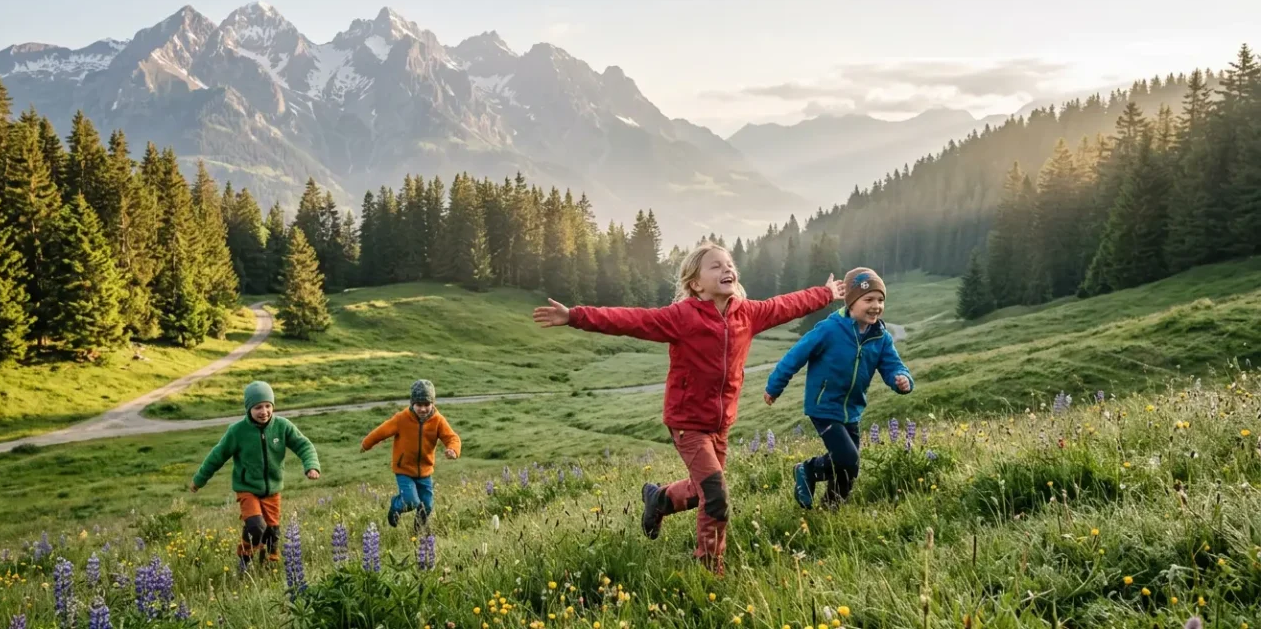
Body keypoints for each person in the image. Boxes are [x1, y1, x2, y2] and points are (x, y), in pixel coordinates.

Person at [532, 242, 844, 574]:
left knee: (701, 492)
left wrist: (825, 294)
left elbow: (787, 305)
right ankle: (710, 569)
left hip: (720, 424)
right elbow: (630, 319)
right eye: (715, 266)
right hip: (688, 423)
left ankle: (659, 499)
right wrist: (574, 316)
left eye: (729, 264)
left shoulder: (748, 314)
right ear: (695, 284)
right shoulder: (681, 318)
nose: (726, 269)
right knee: (717, 495)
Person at [763, 267, 914, 510]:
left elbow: (892, 365)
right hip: (824, 405)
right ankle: (808, 469)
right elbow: (796, 355)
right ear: (852, 302)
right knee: (847, 457)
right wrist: (775, 386)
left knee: (850, 468)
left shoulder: (881, 337)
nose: (876, 306)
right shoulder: (830, 329)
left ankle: (830, 510)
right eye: (869, 300)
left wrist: (901, 378)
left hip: (852, 409)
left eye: (880, 299)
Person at [189, 381, 321, 564]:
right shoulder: (237, 431)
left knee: (272, 533)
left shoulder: (283, 426)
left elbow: (304, 445)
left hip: (272, 489)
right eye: (258, 407)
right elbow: (216, 456)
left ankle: (269, 566)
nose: (264, 411)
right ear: (248, 408)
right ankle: (244, 559)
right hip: (247, 488)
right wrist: (199, 480)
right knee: (255, 526)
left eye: (268, 406)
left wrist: (311, 466)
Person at [360, 379, 461, 529]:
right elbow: (382, 431)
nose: (423, 409)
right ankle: (395, 506)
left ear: (433, 403)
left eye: (427, 404)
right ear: (412, 403)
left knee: (427, 504)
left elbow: (452, 437)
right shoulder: (402, 418)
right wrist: (366, 444)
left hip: (425, 471)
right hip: (404, 470)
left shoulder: (438, 420)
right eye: (419, 405)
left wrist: (453, 449)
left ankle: (417, 531)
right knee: (411, 501)